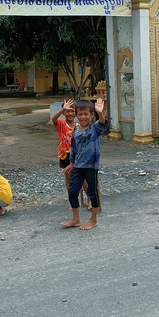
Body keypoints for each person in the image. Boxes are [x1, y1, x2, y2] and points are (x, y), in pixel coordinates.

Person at [61, 98, 107, 231]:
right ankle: (76, 219)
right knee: (72, 192)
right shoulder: (75, 130)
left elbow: (103, 124)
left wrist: (100, 112)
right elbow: (73, 148)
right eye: (80, 114)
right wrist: (71, 163)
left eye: (86, 114)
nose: (83, 117)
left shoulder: (95, 128)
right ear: (76, 114)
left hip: (91, 166)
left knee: (92, 193)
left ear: (91, 114)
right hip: (78, 167)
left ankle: (93, 220)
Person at [51, 99, 91, 210]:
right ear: (64, 113)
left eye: (73, 111)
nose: (70, 113)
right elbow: (53, 119)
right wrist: (63, 108)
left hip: (79, 156)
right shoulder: (61, 124)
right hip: (65, 155)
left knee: (83, 179)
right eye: (67, 111)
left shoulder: (80, 125)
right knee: (69, 179)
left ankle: (89, 199)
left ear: (76, 113)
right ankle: (73, 201)